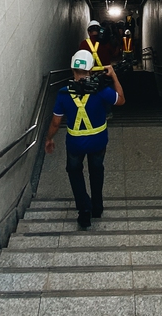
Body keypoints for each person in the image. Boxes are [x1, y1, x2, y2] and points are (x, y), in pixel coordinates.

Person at [45, 50, 125, 228]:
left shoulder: (63, 93)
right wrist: (114, 76)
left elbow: (56, 122)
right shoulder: (102, 90)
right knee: (96, 171)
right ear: (91, 69)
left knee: (75, 173)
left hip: (75, 145)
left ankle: (84, 211)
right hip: (98, 142)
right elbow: (121, 100)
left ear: (72, 68)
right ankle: (97, 207)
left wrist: (49, 138)